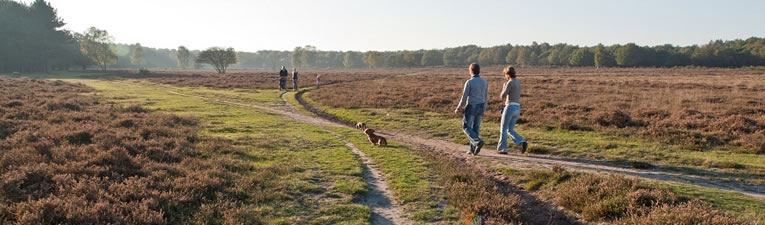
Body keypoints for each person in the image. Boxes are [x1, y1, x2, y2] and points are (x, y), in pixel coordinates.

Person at [455, 63, 488, 155]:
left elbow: (464, 97)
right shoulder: (484, 82)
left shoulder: (469, 82)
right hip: (481, 106)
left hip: (472, 106)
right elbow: (486, 97)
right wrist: (484, 109)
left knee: (466, 127)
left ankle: (477, 142)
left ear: (471, 71)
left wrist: (458, 107)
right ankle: (473, 150)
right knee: (475, 128)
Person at [497, 66, 528, 154]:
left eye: (505, 75)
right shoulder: (518, 82)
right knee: (509, 129)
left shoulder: (510, 83)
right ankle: (521, 141)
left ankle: (502, 149)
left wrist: (504, 87)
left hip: (509, 107)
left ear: (507, 74)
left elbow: (502, 96)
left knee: (503, 129)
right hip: (517, 107)